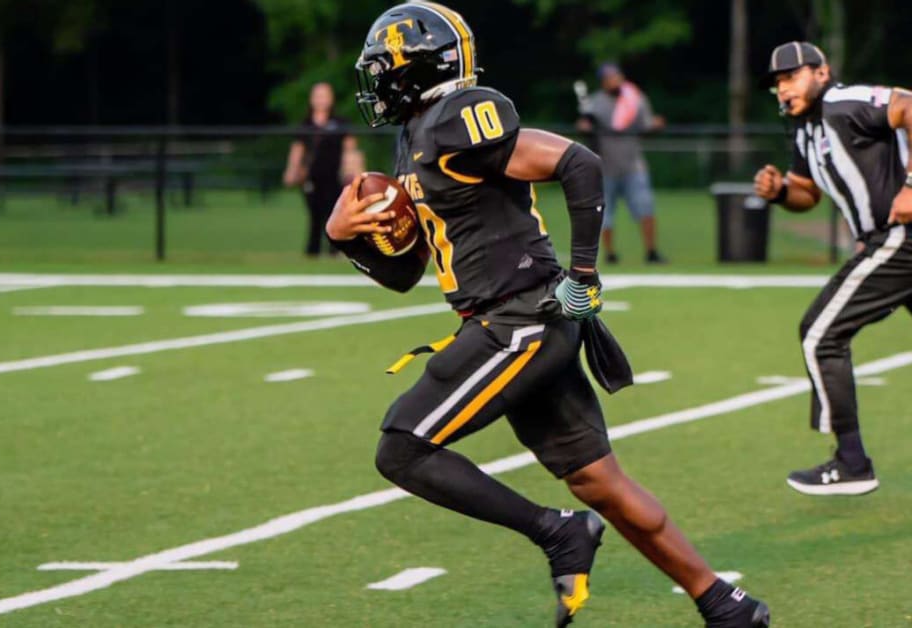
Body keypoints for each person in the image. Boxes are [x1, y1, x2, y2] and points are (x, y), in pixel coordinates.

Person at [328, 3, 769, 626]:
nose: (376, 85)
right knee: (598, 483)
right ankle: (724, 604)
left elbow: (579, 162)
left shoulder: (458, 116)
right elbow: (404, 275)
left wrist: (583, 275)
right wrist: (344, 235)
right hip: (513, 323)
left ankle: (558, 532)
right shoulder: (415, 136)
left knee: (401, 448)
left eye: (383, 71)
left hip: (520, 321)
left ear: (419, 67)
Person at [752, 41, 912, 496]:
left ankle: (851, 462)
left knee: (820, 335)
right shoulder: (804, 130)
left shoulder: (844, 102)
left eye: (792, 76)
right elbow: (806, 193)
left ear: (821, 72)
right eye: (777, 83)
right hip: (891, 242)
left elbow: (910, 105)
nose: (783, 88)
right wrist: (780, 193)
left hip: (900, 238)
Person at [576, 62, 666, 264]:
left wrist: (655, 125)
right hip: (605, 167)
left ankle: (652, 252)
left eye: (617, 77)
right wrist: (584, 127)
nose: (614, 81)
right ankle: (610, 254)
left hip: (633, 165)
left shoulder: (635, 99)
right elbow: (585, 127)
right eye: (610, 78)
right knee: (604, 213)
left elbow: (646, 125)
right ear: (603, 82)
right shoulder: (594, 103)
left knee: (646, 208)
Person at [282, 82, 362, 257]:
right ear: (312, 99)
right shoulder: (305, 125)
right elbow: (297, 151)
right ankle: (313, 251)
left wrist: (355, 173)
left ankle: (334, 251)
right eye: (318, 96)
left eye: (325, 95)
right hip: (312, 178)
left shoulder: (340, 123)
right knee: (315, 216)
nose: (321, 100)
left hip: (335, 178)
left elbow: (351, 150)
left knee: (334, 214)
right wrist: (292, 171)